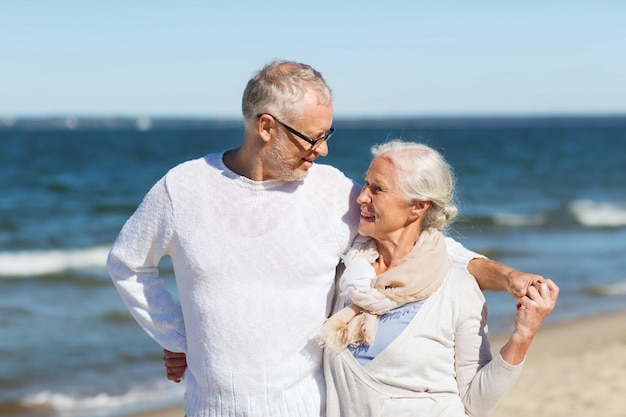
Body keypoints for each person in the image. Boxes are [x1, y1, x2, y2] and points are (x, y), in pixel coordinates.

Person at [108, 60, 546, 417]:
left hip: (311, 406)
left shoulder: (332, 191)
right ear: (266, 127)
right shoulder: (183, 188)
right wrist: (179, 337)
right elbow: (128, 263)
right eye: (313, 137)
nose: (323, 149)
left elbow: (422, 241)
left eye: (327, 134)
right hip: (209, 409)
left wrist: (506, 275)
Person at [318, 140, 559, 417]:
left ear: (418, 207)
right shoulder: (349, 273)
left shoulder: (457, 288)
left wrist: (523, 335)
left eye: (378, 189)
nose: (361, 197)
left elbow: (477, 403)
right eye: (365, 184)